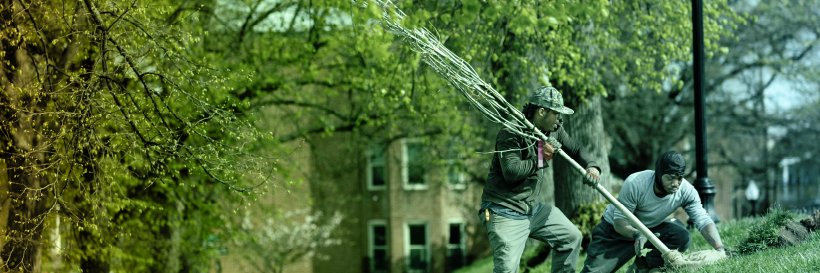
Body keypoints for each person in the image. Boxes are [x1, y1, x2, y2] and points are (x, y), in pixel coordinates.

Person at [479, 86, 602, 273]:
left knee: (571, 237)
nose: (560, 119)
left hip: (532, 210)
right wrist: (540, 157)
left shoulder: (553, 129)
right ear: (541, 112)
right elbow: (511, 173)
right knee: (507, 269)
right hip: (504, 211)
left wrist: (592, 165)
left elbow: (575, 149)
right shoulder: (512, 132)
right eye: (556, 113)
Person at [580, 151, 725, 273]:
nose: (675, 183)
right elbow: (619, 223)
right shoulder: (636, 183)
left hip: (650, 230)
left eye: (679, 178)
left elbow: (703, 220)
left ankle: (644, 266)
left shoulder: (686, 191)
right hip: (614, 233)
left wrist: (720, 248)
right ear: (659, 173)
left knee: (681, 237)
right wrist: (638, 234)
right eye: (670, 178)